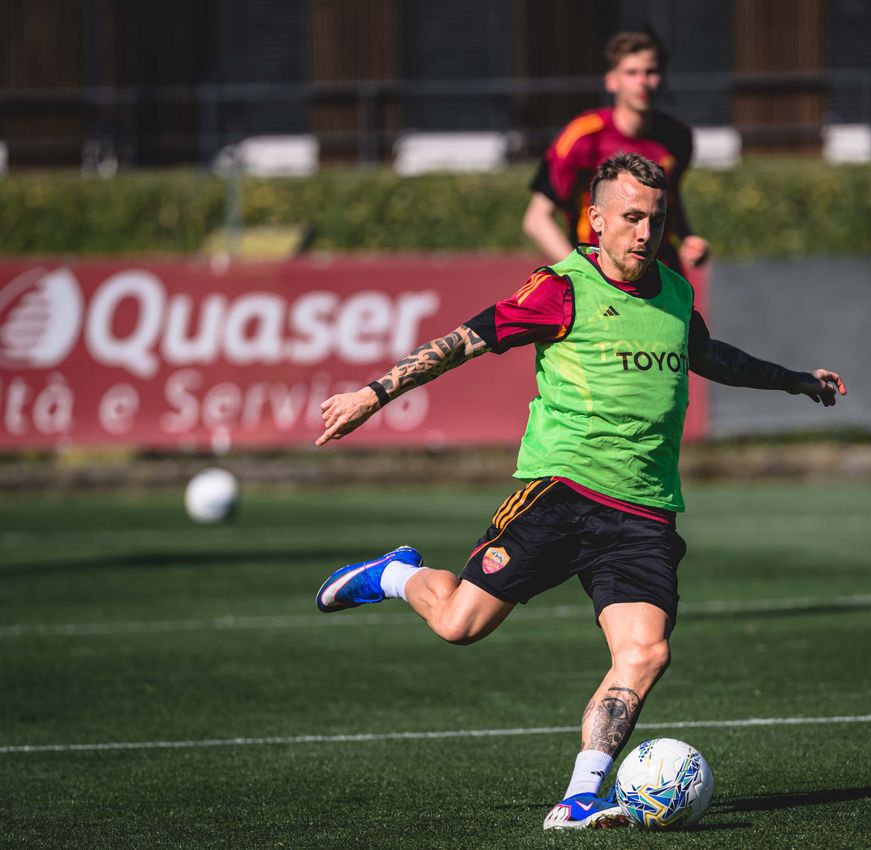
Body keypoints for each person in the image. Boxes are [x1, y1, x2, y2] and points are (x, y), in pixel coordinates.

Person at [315, 153, 844, 828]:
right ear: (594, 219)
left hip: (645, 513)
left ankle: (580, 796)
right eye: (630, 218)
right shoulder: (560, 287)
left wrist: (793, 378)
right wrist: (374, 393)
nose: (644, 232)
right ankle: (394, 575)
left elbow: (712, 356)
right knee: (458, 625)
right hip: (559, 493)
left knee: (646, 652)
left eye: (655, 219)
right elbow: (462, 342)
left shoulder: (675, 294)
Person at [522, 30, 710, 276]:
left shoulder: (678, 137)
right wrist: (580, 273)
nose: (642, 81)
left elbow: (667, 201)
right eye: (632, 73)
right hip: (602, 277)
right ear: (612, 81)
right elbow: (537, 220)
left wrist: (688, 240)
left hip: (660, 275)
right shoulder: (582, 136)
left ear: (663, 77)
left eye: (650, 72)